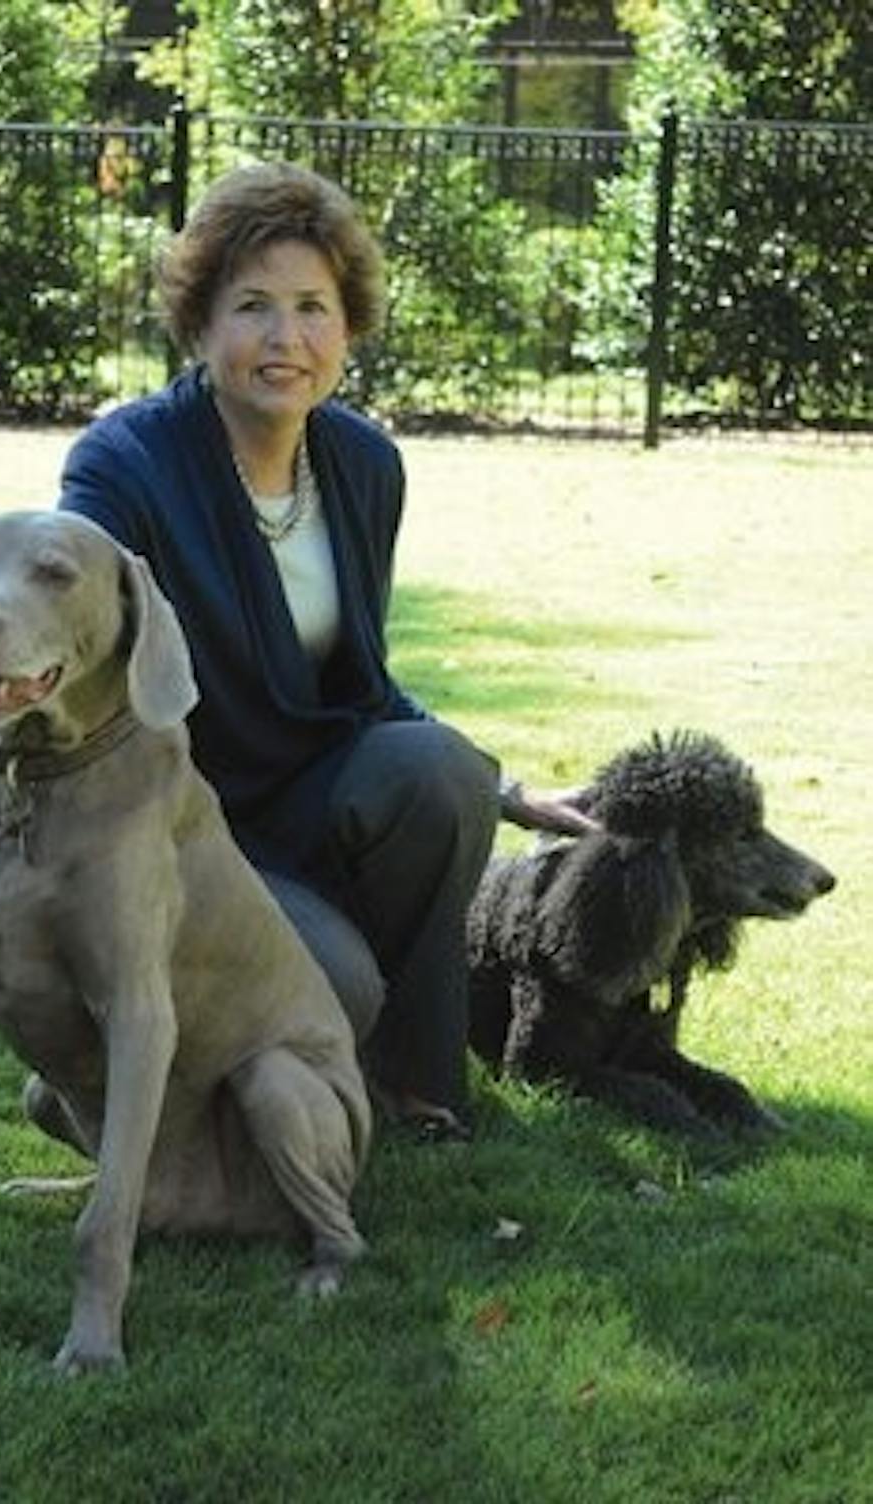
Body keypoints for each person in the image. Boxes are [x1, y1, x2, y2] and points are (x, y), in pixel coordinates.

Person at [58, 161, 594, 1140]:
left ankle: (415, 1091)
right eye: (252, 305)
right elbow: (70, 614)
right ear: (201, 322)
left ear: (346, 326)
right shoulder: (123, 462)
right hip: (179, 825)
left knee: (438, 772)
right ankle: (88, 1096)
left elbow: (363, 686)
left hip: (304, 800)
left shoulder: (363, 464)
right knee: (337, 986)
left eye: (313, 307)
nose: (284, 338)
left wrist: (507, 788)